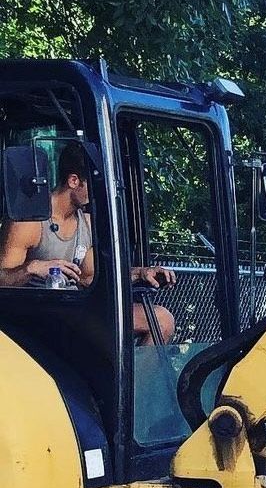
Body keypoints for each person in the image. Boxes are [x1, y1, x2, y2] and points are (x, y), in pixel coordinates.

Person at [0, 141, 176, 343]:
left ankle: (134, 375)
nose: (98, 193)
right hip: (39, 314)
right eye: (93, 184)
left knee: (162, 320)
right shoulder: (29, 221)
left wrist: (140, 273)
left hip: (76, 310)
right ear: (74, 181)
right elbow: (2, 281)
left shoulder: (87, 224)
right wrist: (32, 268)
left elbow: (87, 278)